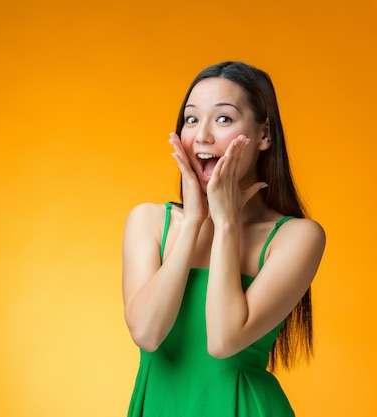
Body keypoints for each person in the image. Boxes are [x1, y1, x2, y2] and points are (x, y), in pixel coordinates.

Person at [122, 61, 326, 416]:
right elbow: (147, 333)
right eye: (191, 119)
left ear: (264, 135)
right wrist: (194, 222)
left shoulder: (296, 237)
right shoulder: (150, 221)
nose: (202, 136)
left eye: (223, 119)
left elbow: (223, 341)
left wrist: (227, 225)